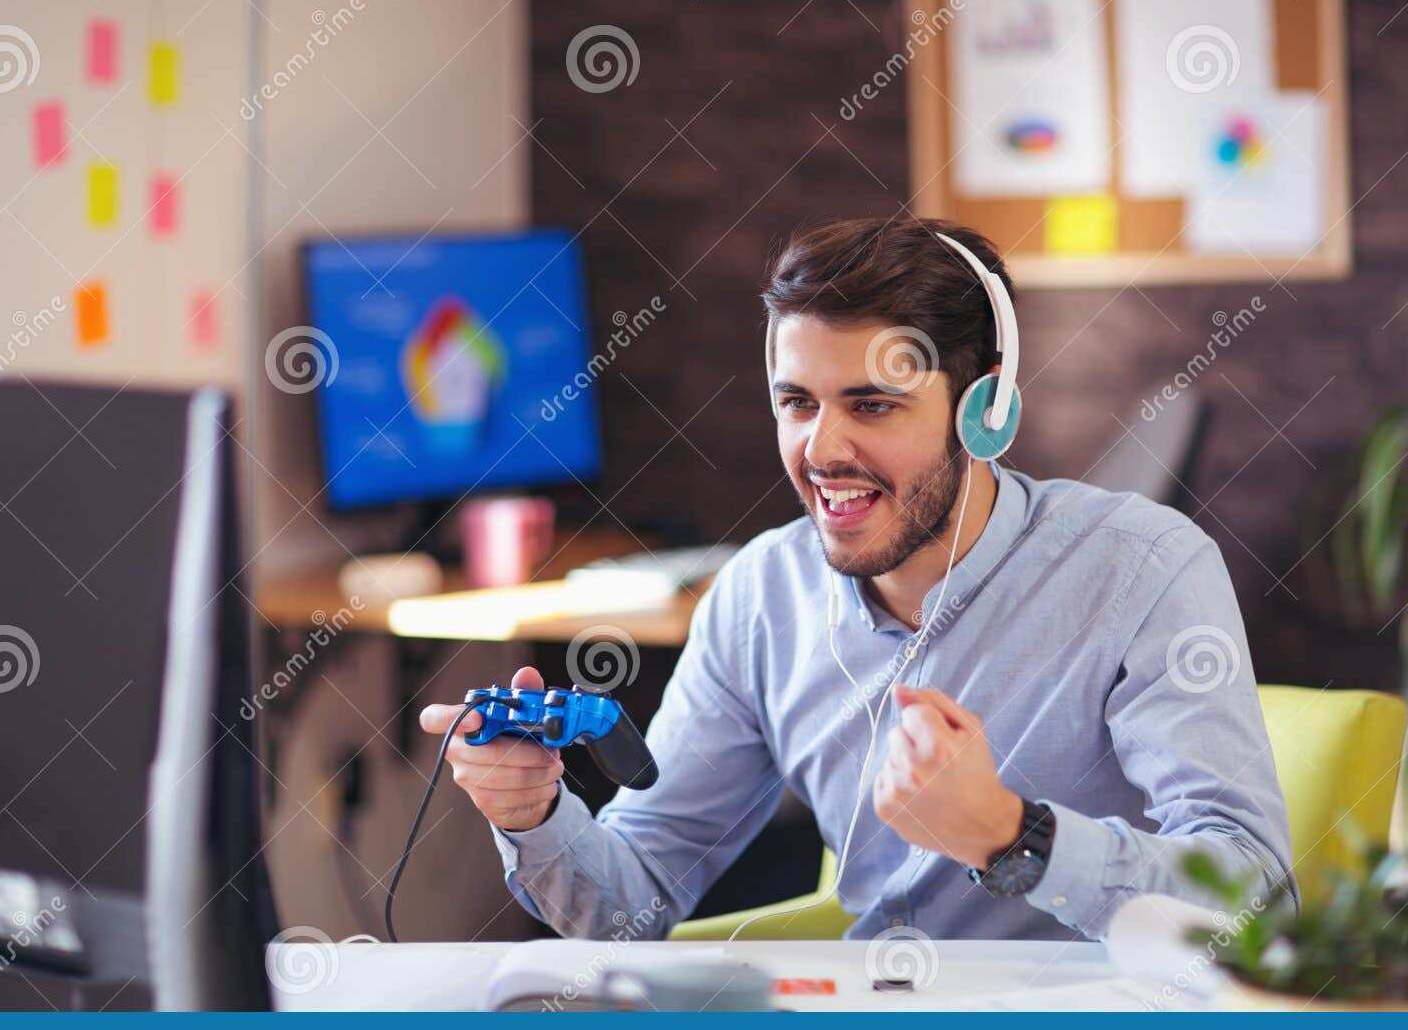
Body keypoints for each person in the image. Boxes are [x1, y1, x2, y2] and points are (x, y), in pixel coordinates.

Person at [419, 216, 1296, 942]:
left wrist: (1010, 835)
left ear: (985, 410)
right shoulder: (759, 598)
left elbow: (1257, 903)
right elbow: (629, 902)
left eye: (872, 405)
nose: (822, 451)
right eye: (797, 403)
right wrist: (535, 815)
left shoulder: (1142, 567)